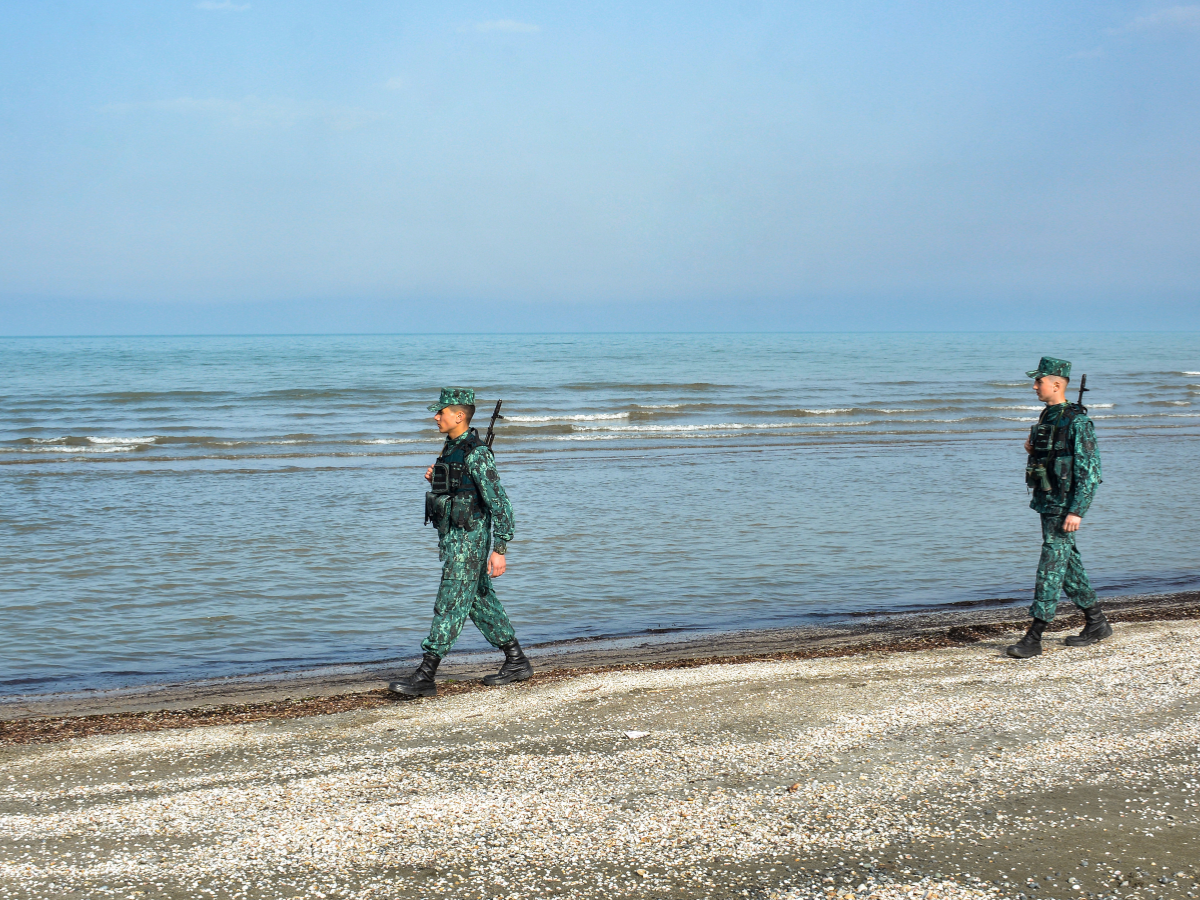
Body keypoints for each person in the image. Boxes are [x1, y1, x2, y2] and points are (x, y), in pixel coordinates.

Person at [388, 387, 533, 697]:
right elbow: (459, 490)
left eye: (440, 412)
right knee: (479, 601)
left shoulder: (477, 453)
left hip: (469, 541)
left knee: (449, 602)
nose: (435, 417)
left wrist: (500, 549)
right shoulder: (451, 448)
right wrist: (436, 479)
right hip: (453, 539)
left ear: (459, 416)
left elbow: (501, 504)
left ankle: (426, 674)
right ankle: (516, 660)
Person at [1006, 357, 1110, 659]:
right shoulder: (1048, 415)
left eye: (1038, 381)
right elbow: (1051, 456)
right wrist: (1032, 450)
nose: (1034, 386)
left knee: (1051, 563)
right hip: (1048, 501)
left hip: (1065, 506)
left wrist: (1077, 510)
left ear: (1055, 384)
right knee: (1067, 562)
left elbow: (1090, 471)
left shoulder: (1078, 422)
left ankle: (1034, 635)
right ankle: (1096, 622)